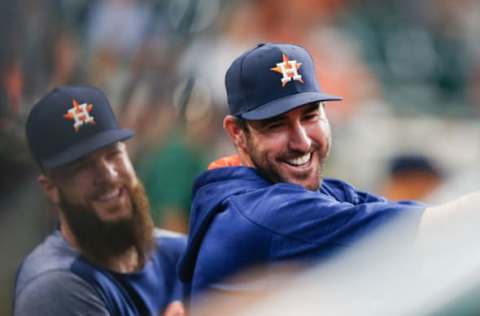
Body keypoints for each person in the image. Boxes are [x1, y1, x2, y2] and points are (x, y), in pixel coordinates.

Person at [178, 43, 430, 300]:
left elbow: (422, 222)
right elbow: (427, 235)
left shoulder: (323, 191)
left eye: (310, 116)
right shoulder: (261, 212)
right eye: (276, 125)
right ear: (237, 133)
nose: (302, 142)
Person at [13, 85, 186, 316]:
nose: (108, 175)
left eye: (113, 154)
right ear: (51, 188)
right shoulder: (55, 287)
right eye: (82, 166)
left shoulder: (177, 251)